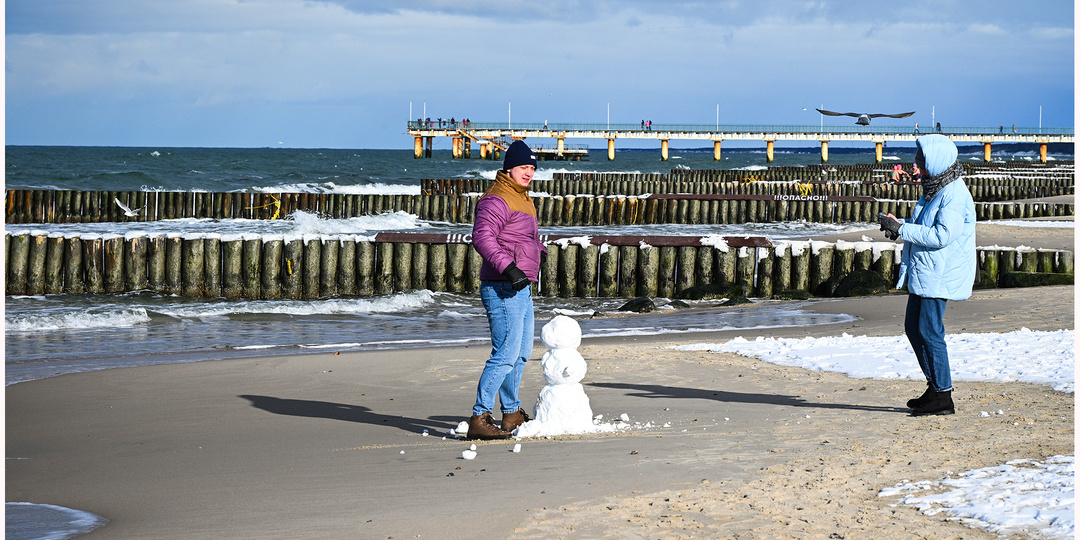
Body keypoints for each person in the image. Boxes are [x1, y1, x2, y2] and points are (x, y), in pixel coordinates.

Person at [878, 134, 976, 417]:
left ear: (937, 160)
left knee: (930, 331)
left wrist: (903, 231)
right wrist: (900, 224)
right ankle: (935, 387)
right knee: (913, 328)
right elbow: (926, 225)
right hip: (927, 271)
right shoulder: (935, 188)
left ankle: (943, 395)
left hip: (940, 273)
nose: (915, 164)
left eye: (921, 159)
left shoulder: (954, 194)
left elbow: (941, 236)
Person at [467, 140, 547, 439]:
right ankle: (479, 417)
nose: (529, 173)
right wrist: (509, 267)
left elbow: (519, 238)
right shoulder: (496, 198)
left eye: (532, 168)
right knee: (505, 355)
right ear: (509, 168)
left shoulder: (523, 197)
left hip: (520, 286)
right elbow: (482, 237)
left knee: (522, 353)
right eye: (524, 167)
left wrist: (537, 252)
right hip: (502, 286)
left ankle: (511, 413)